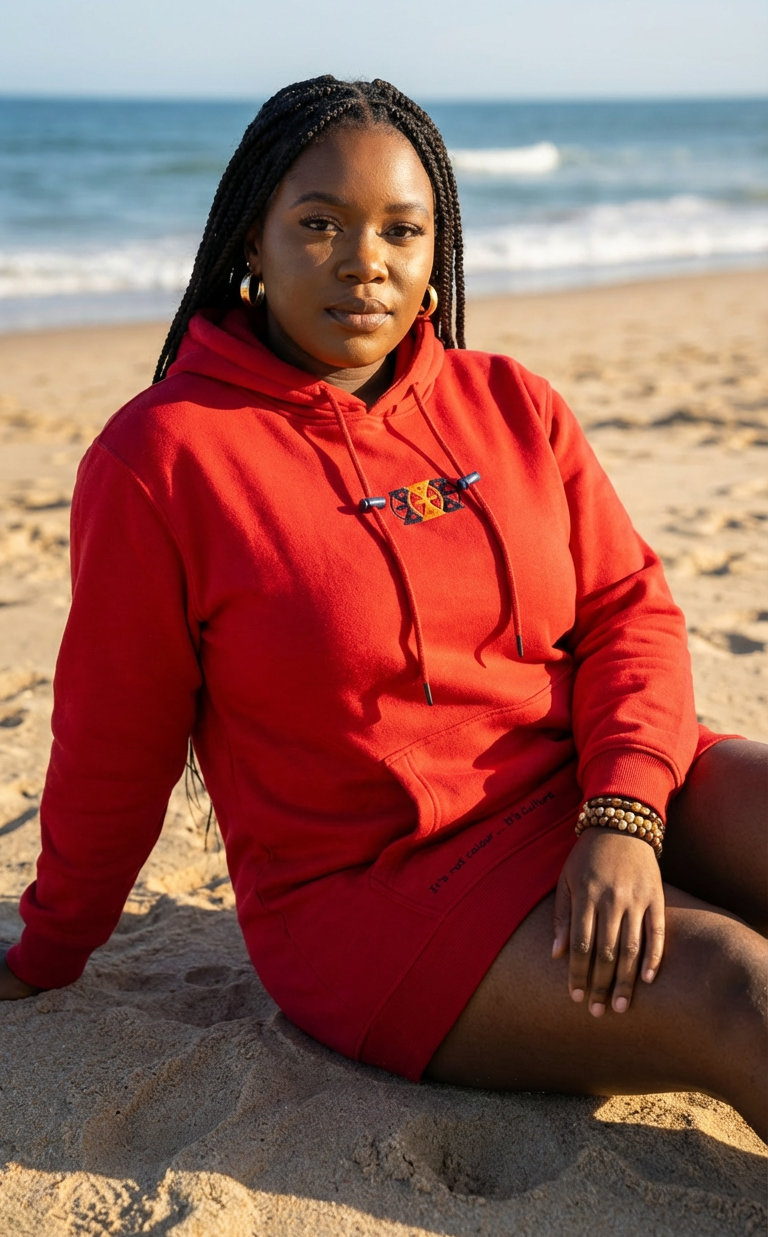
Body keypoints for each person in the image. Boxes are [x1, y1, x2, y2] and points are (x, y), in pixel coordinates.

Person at [1, 78, 765, 1142]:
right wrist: (47, 948)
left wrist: (622, 811)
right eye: (318, 225)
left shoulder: (513, 403)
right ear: (252, 246)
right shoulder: (161, 459)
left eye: (402, 231)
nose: (365, 261)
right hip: (386, 895)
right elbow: (112, 747)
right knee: (736, 985)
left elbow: (630, 613)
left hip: (589, 789)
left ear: (434, 255)